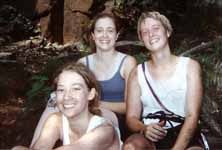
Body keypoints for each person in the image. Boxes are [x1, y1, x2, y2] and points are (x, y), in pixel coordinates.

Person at [123, 11, 208, 150]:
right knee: (131, 147)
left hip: (183, 130)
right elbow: (131, 118)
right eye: (145, 32)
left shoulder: (189, 67)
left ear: (167, 32)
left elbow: (193, 115)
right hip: (151, 133)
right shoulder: (137, 73)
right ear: (142, 40)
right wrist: (144, 128)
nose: (151, 34)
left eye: (156, 28)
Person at [12, 62, 121, 150]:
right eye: (61, 90)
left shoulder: (104, 130)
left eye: (76, 88)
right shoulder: (56, 120)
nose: (67, 96)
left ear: (91, 94)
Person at [78, 12, 137, 140]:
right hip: (86, 114)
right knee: (52, 112)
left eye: (110, 30)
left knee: (96, 118)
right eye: (99, 30)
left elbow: (130, 107)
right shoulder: (83, 63)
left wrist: (95, 103)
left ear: (117, 35)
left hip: (117, 120)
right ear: (93, 35)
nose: (104, 35)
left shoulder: (128, 62)